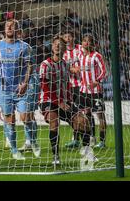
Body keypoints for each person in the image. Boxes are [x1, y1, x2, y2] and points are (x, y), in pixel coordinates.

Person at [39, 36, 96, 166]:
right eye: (55, 44)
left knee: (84, 123)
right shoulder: (45, 65)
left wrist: (69, 100)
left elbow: (67, 84)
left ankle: (87, 152)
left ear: (65, 49)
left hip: (64, 101)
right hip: (48, 100)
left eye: (61, 45)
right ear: (52, 47)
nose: (58, 46)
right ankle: (56, 156)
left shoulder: (65, 65)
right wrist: (59, 102)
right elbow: (45, 87)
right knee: (54, 122)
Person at [0, 19, 32, 160]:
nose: (9, 27)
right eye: (7, 26)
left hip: (20, 88)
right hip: (4, 89)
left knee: (25, 117)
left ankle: (31, 140)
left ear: (17, 30)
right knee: (10, 121)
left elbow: (30, 66)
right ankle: (14, 150)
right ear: (4, 29)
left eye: (12, 26)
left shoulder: (24, 47)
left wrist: (25, 83)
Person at [79, 34, 107, 149]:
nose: (87, 43)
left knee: (100, 116)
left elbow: (104, 71)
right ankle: (91, 137)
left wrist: (97, 81)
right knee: (87, 115)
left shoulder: (96, 56)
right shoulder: (80, 55)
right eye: (84, 41)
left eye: (89, 41)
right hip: (83, 91)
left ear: (93, 43)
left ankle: (102, 141)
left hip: (96, 91)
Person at [62, 30, 84, 149]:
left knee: (86, 111)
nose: (68, 39)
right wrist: (72, 69)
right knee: (74, 113)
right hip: (70, 86)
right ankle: (75, 139)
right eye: (65, 37)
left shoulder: (80, 48)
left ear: (73, 37)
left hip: (82, 84)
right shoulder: (63, 53)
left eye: (69, 36)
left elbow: (87, 59)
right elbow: (63, 67)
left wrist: (79, 68)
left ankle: (91, 138)